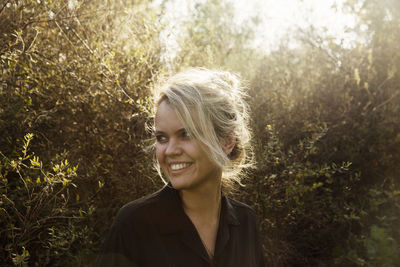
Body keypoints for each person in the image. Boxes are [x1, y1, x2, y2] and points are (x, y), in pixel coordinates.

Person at [96, 68, 265, 267]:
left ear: (227, 142)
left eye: (186, 134)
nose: (170, 150)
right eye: (162, 138)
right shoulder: (133, 225)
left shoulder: (245, 222)